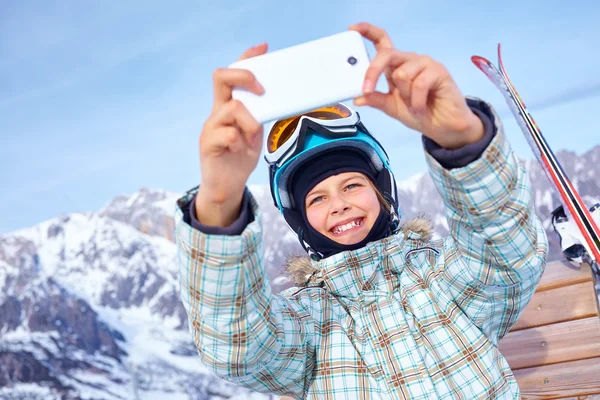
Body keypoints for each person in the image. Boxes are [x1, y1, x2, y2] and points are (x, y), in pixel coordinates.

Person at [175, 22, 548, 399]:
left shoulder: (445, 281)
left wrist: (462, 139)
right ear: (300, 222)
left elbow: (506, 249)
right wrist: (219, 204)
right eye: (316, 199)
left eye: (352, 185)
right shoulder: (306, 329)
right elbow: (238, 345)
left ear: (382, 191)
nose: (339, 204)